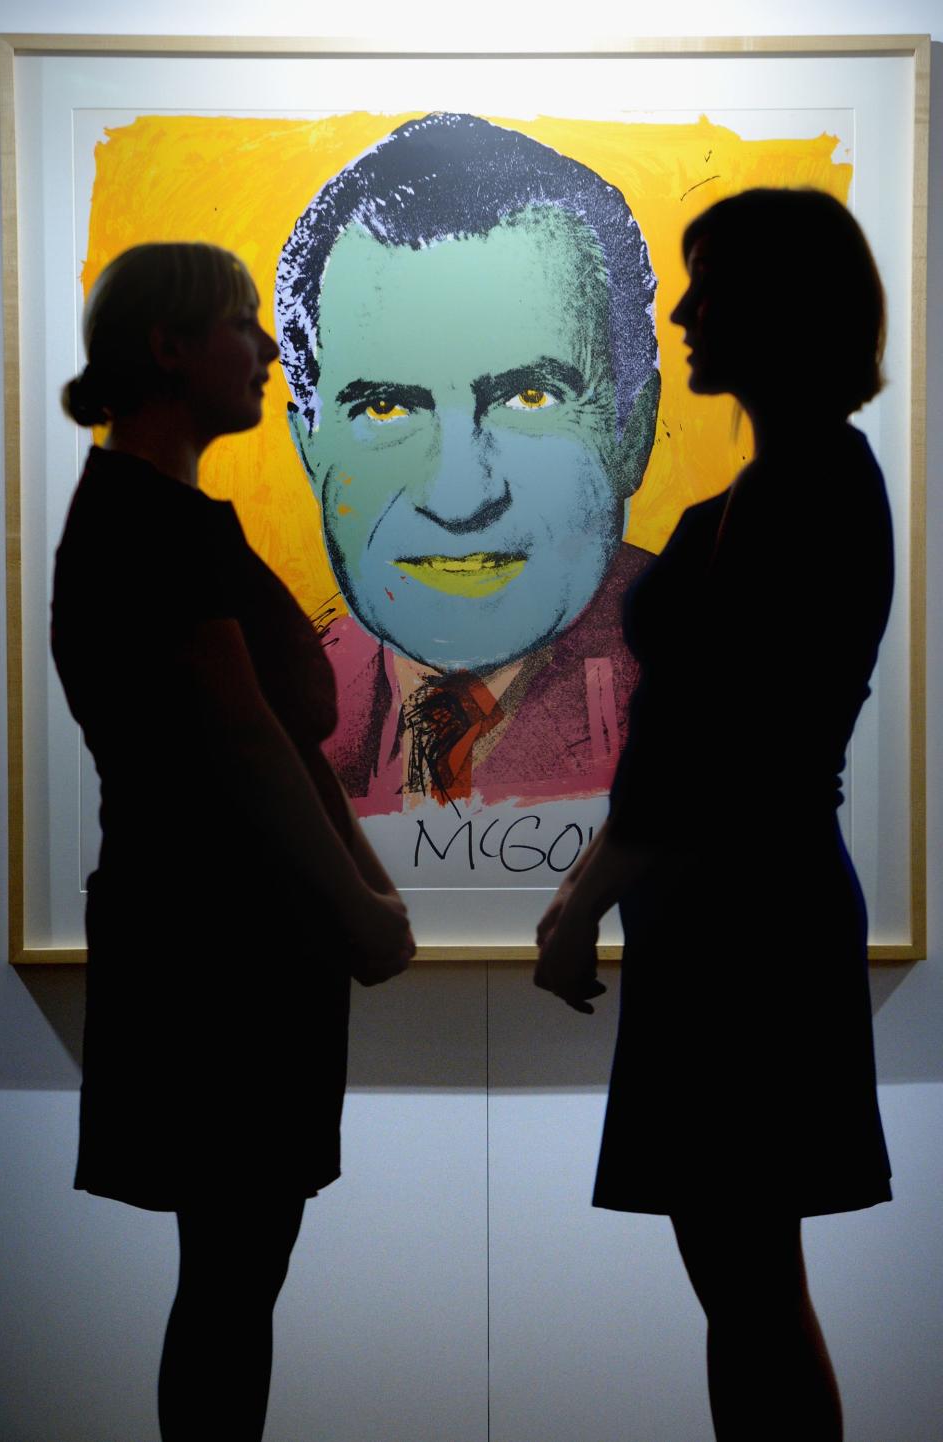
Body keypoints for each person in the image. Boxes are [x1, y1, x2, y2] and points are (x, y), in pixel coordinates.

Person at [534, 188, 893, 1440]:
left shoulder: (808, 488)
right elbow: (695, 743)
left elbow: (707, 746)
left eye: (710, 283)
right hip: (739, 908)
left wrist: (581, 899)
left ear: (780, 307)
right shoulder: (786, 486)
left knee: (743, 1277)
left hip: (751, 916)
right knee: (741, 1277)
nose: (681, 310)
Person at [52, 242, 415, 1442]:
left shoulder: (162, 516)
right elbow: (246, 737)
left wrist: (365, 892)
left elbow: (278, 746)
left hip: (229, 937)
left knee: (235, 1271)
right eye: (241, 322)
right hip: (220, 949)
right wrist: (360, 907)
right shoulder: (148, 522)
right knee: (231, 1273)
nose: (265, 348)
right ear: (168, 346)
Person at [275, 112, 660, 813]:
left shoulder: (713, 684)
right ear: (310, 449)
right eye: (387, 409)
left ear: (634, 428)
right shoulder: (284, 696)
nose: (459, 495)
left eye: (529, 396)